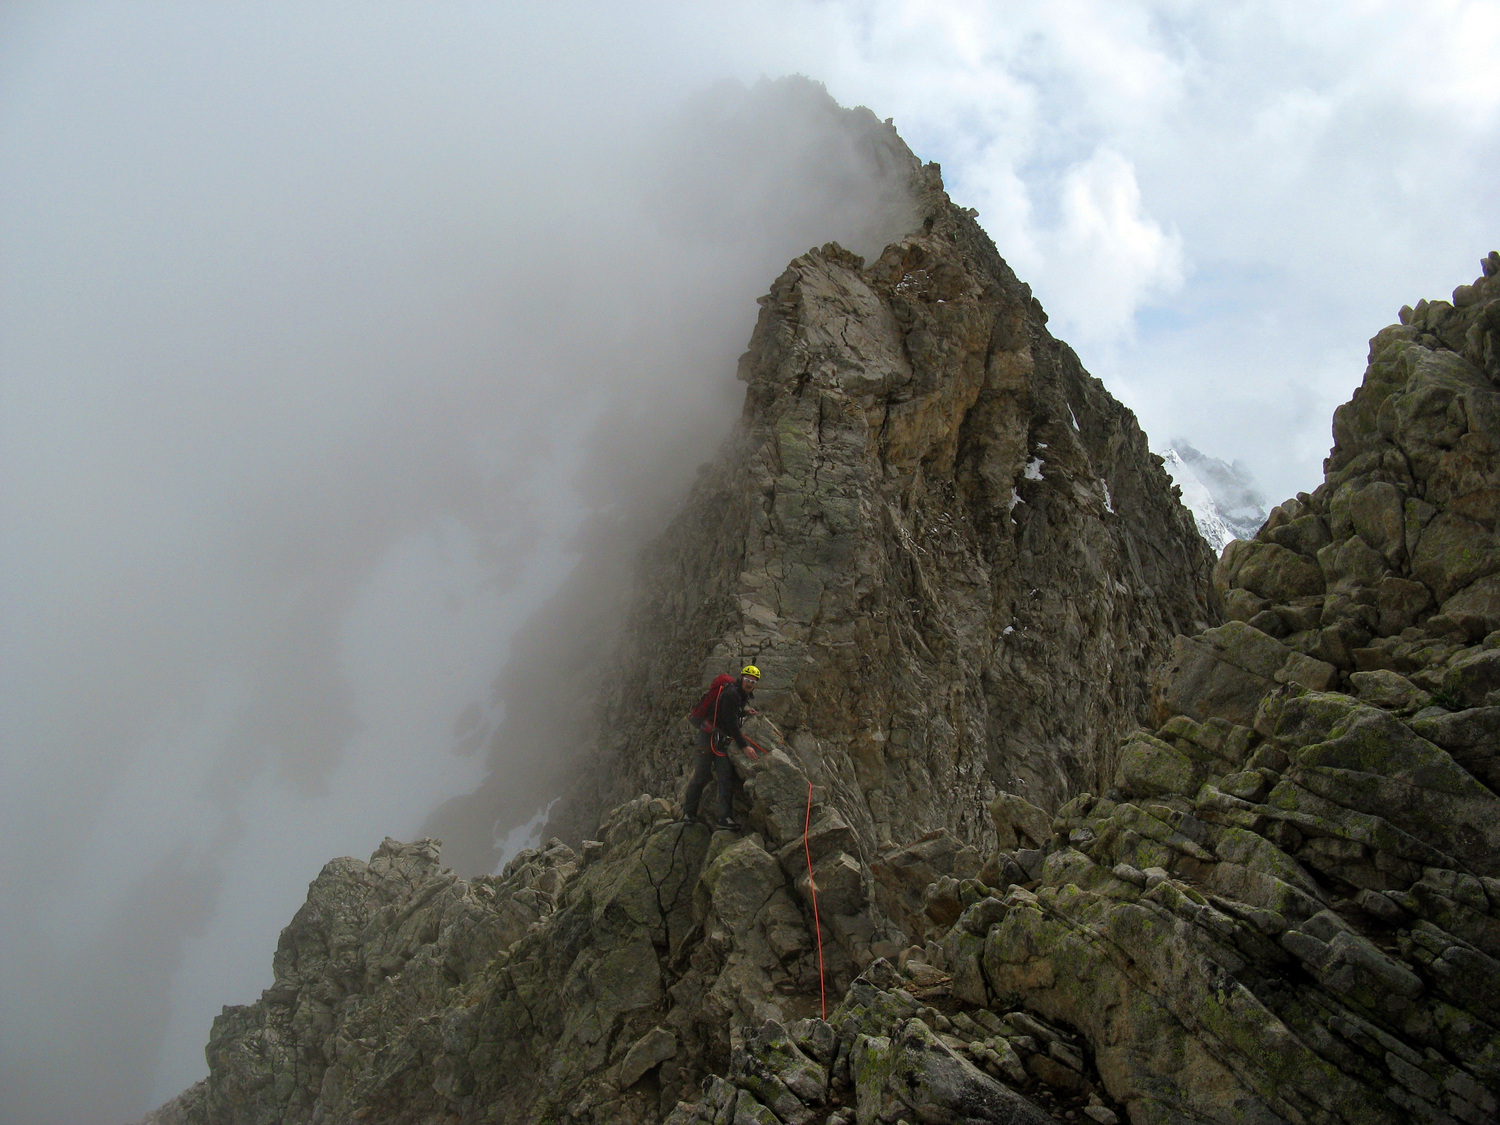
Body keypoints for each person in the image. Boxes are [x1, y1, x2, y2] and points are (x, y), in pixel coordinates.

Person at [681, 665, 761, 830]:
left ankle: (724, 818)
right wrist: (744, 746)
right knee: (702, 775)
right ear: (742, 678)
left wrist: (744, 713)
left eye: (753, 682)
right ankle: (688, 813)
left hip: (719, 739)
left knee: (725, 777)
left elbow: (729, 714)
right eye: (747, 680)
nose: (750, 684)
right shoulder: (733, 694)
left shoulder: (739, 694)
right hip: (708, 737)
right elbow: (731, 723)